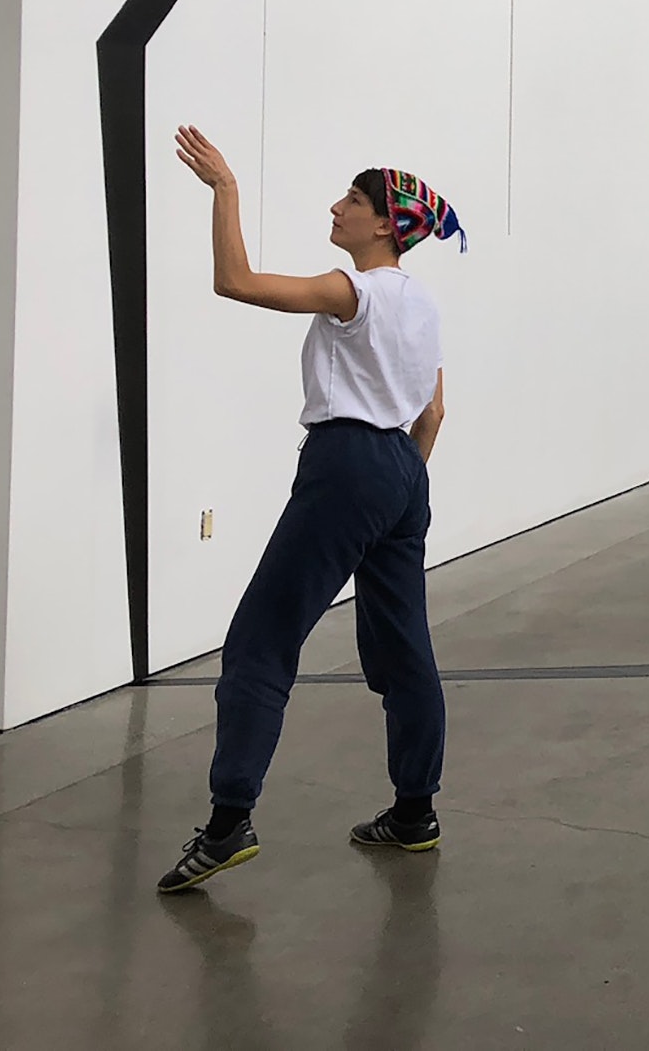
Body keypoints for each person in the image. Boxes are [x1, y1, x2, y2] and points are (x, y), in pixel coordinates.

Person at [157, 127, 466, 895]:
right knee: (404, 649)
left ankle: (229, 822)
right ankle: (414, 811)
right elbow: (432, 410)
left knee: (261, 639)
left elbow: (235, 280)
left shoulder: (350, 288)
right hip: (401, 467)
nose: (337, 206)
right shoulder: (421, 303)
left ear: (388, 224)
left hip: (349, 462)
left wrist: (227, 188)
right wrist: (397, 490)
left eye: (353, 200)